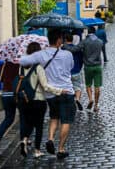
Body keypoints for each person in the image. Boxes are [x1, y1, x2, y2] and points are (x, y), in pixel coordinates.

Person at [19, 28, 75, 159]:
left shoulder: (41, 55)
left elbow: (23, 61)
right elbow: (71, 68)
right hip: (66, 91)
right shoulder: (68, 55)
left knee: (54, 117)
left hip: (50, 94)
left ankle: (50, 139)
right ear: (59, 40)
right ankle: (61, 149)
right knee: (66, 121)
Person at [65, 30, 104, 112]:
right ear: (95, 32)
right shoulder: (100, 42)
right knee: (97, 86)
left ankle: (90, 99)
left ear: (88, 33)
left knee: (88, 85)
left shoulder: (84, 42)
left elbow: (74, 49)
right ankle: (96, 106)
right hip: (98, 66)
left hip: (88, 67)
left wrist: (65, 46)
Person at [0, 60, 20, 150]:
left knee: (8, 117)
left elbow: (1, 78)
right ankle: (25, 139)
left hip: (5, 93)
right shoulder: (20, 64)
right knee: (24, 116)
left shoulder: (3, 64)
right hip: (16, 93)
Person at [64, 33, 85, 111]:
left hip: (66, 72)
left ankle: (68, 102)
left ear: (65, 40)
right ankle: (77, 99)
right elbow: (81, 60)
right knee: (77, 87)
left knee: (67, 88)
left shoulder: (63, 49)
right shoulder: (77, 49)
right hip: (76, 71)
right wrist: (79, 68)